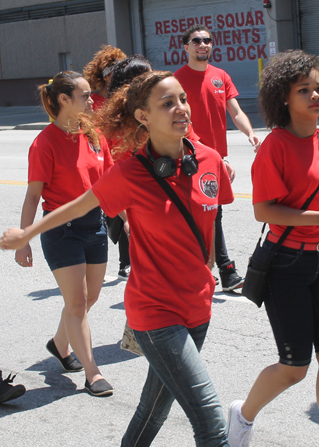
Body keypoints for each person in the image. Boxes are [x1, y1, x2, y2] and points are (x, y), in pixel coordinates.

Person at [1, 71, 234, 445]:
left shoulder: (209, 160)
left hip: (199, 306)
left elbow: (209, 230)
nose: (181, 109)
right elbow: (78, 204)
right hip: (156, 313)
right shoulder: (131, 173)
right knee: (211, 424)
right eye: (167, 103)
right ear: (142, 116)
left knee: (151, 411)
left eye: (183, 99)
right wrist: (26, 234)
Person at [227, 50, 319, 447]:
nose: (315, 95)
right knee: (294, 367)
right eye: (303, 90)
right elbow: (264, 212)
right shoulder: (275, 146)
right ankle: (243, 413)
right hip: (286, 265)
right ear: (283, 99)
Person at [12, 71, 114, 397]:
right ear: (64, 100)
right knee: (78, 302)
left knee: (89, 298)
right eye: (85, 95)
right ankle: (92, 373)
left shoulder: (95, 135)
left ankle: (60, 344)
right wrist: (24, 239)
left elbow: (112, 185)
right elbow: (32, 196)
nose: (92, 100)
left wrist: (130, 220)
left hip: (95, 226)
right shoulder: (44, 143)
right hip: (60, 231)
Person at [175, 24, 262, 292]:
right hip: (189, 155)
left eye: (207, 40)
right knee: (206, 213)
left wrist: (250, 133)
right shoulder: (177, 80)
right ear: (186, 47)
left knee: (212, 213)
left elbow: (235, 112)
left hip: (216, 158)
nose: (203, 44)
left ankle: (215, 269)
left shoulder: (220, 76)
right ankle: (220, 269)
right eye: (197, 41)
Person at [103, 54, 153, 280]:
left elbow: (191, 143)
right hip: (136, 205)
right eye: (146, 75)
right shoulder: (115, 124)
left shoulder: (162, 110)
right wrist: (126, 217)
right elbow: (112, 174)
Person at [83, 44, 127, 111]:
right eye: (116, 73)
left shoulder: (126, 99)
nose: (121, 76)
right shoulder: (91, 103)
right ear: (106, 77)